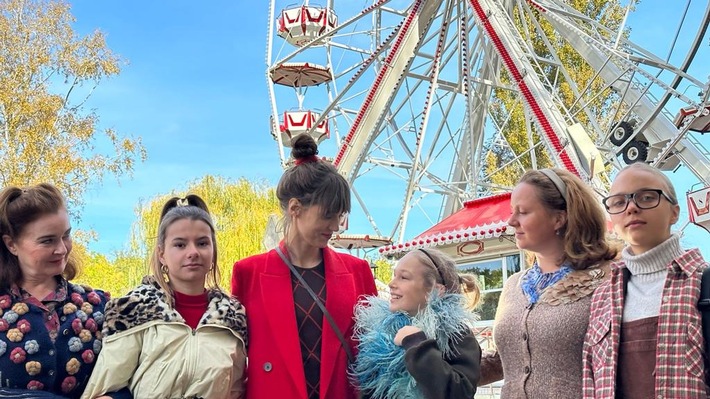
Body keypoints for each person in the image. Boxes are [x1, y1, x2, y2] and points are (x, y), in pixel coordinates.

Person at [231, 134, 377, 399]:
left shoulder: (358, 271)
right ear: (296, 208)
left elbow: (374, 351)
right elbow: (234, 360)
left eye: (340, 216)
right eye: (327, 215)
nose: (335, 227)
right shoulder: (248, 273)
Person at [82, 195, 247, 399]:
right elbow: (104, 390)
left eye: (202, 243)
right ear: (162, 254)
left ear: (213, 251)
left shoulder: (232, 320)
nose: (193, 252)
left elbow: (236, 391)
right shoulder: (136, 309)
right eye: (180, 245)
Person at [479, 168, 618, 398]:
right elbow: (506, 360)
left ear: (559, 218)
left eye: (523, 212)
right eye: (513, 212)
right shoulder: (513, 285)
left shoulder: (606, 279)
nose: (511, 221)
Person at [582, 162, 710, 398]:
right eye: (619, 202)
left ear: (675, 212)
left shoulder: (703, 285)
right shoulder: (602, 296)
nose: (631, 207)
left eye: (647, 197)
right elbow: (591, 383)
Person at [0, 183, 128, 399]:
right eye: (47, 240)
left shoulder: (100, 306)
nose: (62, 249)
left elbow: (129, 379)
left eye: (66, 235)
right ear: (12, 244)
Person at [351, 247, 482, 399]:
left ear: (435, 289)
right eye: (394, 276)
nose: (391, 283)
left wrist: (417, 345)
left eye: (404, 277)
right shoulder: (382, 335)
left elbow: (460, 393)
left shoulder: (455, 334)